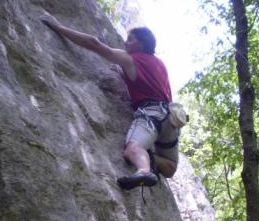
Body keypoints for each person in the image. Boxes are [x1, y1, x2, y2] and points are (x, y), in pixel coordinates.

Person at [41, 14, 180, 190]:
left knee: (132, 149)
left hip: (150, 115)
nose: (125, 43)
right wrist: (124, 74)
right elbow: (148, 84)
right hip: (171, 118)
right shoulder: (160, 64)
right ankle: (149, 156)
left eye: (131, 40)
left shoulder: (131, 58)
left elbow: (94, 44)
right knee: (170, 168)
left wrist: (58, 27)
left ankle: (144, 170)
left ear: (141, 44)